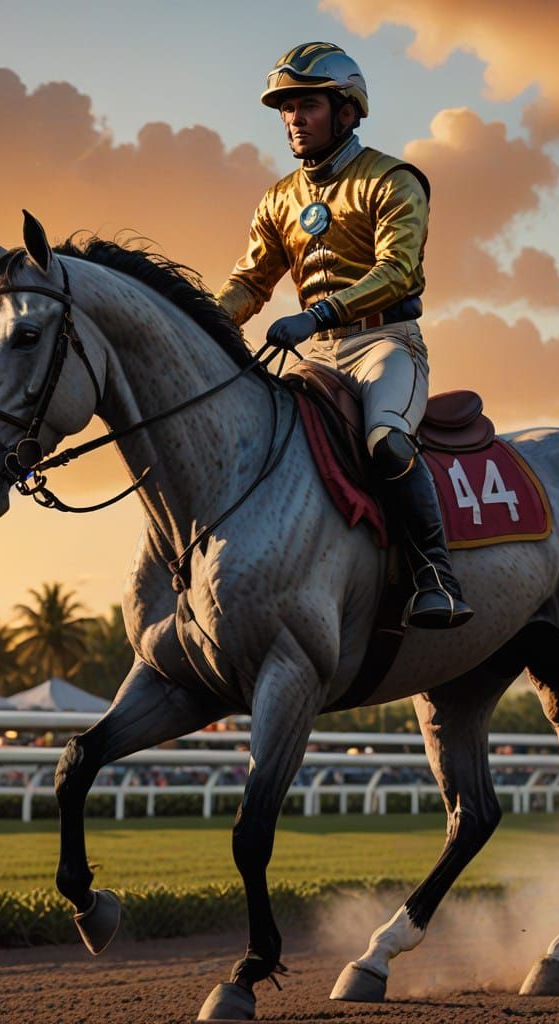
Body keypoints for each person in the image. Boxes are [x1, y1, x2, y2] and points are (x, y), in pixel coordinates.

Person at [216, 41, 472, 629]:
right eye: (286, 109)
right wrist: (199, 322)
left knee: (386, 441)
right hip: (320, 358)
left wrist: (317, 315)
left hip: (388, 347)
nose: (293, 119)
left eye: (306, 104)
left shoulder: (394, 179)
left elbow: (398, 271)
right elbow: (249, 281)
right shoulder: (278, 199)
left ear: (347, 111)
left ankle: (437, 575)